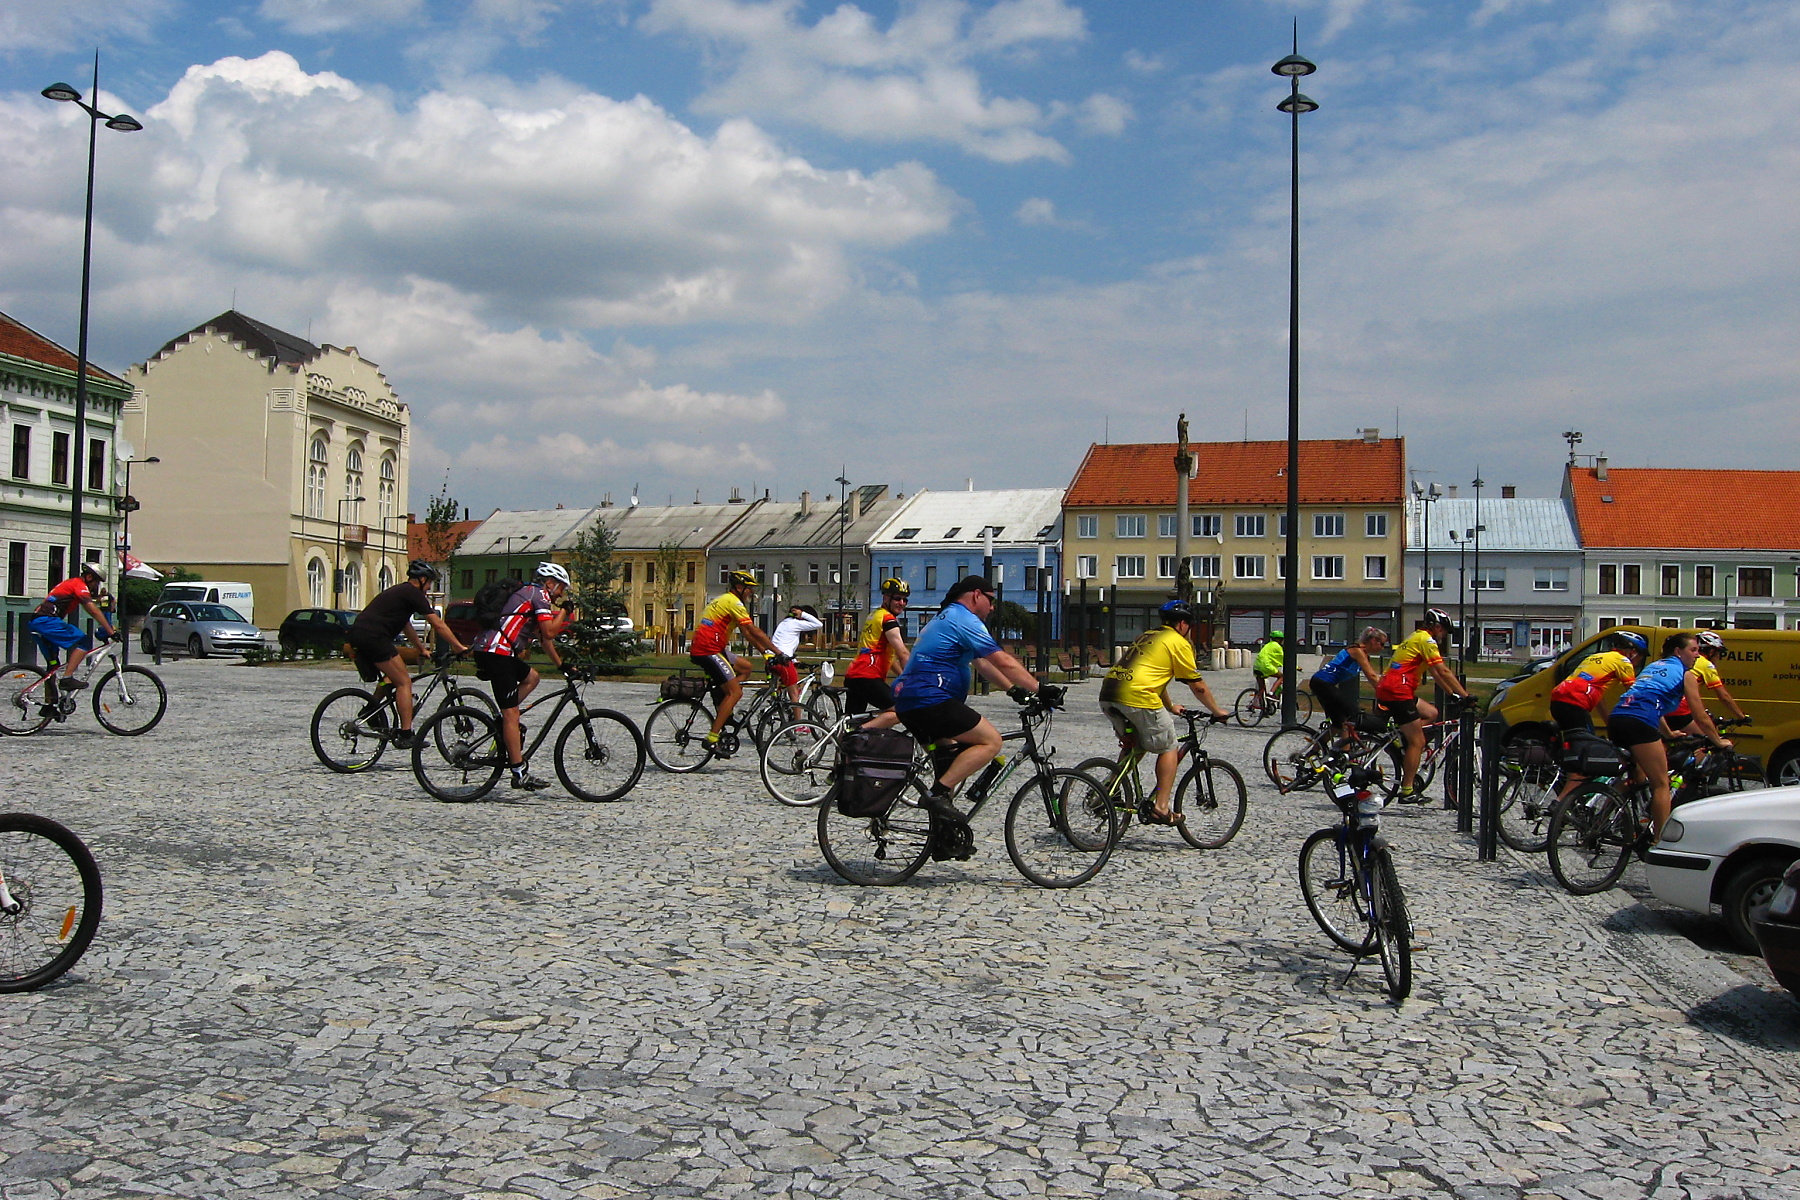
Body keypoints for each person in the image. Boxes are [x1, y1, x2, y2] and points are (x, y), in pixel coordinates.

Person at [874, 576, 1056, 826]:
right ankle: (936, 795)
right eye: (990, 600)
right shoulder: (964, 618)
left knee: (950, 762)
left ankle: (943, 834)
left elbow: (982, 663)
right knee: (991, 741)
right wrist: (1040, 689)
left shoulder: (948, 616)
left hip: (911, 700)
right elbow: (1002, 661)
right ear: (976, 595)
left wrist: (1014, 690)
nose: (992, 607)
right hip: (930, 698)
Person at [1098, 600, 1230, 825]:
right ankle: (1161, 807)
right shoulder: (1178, 642)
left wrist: (1170, 706)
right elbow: (1197, 685)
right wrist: (1217, 711)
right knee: (1169, 747)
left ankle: (1107, 790)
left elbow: (1154, 678)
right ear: (1182, 624)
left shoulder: (1147, 636)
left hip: (1109, 694)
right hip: (1138, 697)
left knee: (1137, 745)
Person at [1607, 631, 1731, 836]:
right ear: (1678, 651)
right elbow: (1700, 716)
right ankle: (1659, 840)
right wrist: (1717, 741)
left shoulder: (1653, 667)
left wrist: (1669, 733)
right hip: (1639, 722)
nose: (1697, 655)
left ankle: (1602, 819)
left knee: (1638, 776)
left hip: (1618, 718)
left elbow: (1653, 704)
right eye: (1693, 650)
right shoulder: (1686, 674)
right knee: (1661, 784)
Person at [470, 562, 573, 790]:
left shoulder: (529, 593)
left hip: (494, 651)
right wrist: (565, 611)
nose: (561, 594)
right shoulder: (539, 595)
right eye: (561, 588)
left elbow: (543, 638)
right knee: (512, 714)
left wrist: (561, 665)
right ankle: (519, 772)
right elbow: (550, 632)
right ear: (550, 583)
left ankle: (505, 723)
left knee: (532, 677)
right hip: (497, 652)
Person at [347, 559, 471, 748]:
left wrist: (421, 648)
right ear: (421, 579)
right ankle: (406, 734)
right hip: (375, 637)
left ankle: (371, 709)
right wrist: (458, 646)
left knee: (392, 675)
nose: (429, 588)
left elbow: (406, 625)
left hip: (360, 634)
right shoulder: (413, 593)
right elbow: (437, 624)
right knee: (404, 682)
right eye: (429, 582)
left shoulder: (401, 592)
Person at [1374, 609, 1471, 802]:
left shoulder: (1416, 636)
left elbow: (1435, 673)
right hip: (1398, 690)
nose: (1445, 635)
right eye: (1445, 630)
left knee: (1432, 713)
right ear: (1437, 627)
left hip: (1394, 687)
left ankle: (1404, 736)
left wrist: (1452, 694)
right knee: (1417, 742)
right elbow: (1444, 671)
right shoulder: (1427, 641)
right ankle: (1407, 790)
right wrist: (1466, 696)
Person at [1546, 630, 1647, 800]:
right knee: (1587, 756)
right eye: (1640, 656)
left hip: (1559, 699)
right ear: (1632, 652)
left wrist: (1610, 724)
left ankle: (1568, 788)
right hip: (1575, 702)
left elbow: (1599, 699)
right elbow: (1634, 695)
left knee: (1577, 749)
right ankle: (1561, 802)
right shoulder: (1623, 662)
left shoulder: (1596, 657)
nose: (1638, 661)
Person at [689, 569, 783, 747]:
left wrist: (765, 652)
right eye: (749, 588)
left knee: (746, 667)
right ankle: (712, 737)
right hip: (708, 649)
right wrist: (778, 652)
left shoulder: (726, 600)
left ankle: (725, 704)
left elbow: (747, 633)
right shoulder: (734, 602)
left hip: (712, 647)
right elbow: (755, 631)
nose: (751, 592)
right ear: (739, 587)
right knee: (736, 692)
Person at [27, 564, 116, 689]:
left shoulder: (72, 584)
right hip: (47, 621)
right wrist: (111, 632)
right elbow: (93, 610)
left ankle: (51, 700)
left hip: (37, 622)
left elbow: (89, 607)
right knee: (84, 642)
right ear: (89, 577)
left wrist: (106, 621)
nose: (96, 586)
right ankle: (67, 678)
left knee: (53, 665)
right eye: (96, 582)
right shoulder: (79, 585)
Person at [1310, 627, 1389, 745]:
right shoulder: (1357, 651)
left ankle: (1314, 751)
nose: (1383, 648)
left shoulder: (1363, 654)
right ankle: (1345, 749)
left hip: (1323, 684)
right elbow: (1372, 677)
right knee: (1353, 714)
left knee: (1339, 723)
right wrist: (1388, 693)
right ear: (1373, 640)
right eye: (1382, 644)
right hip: (1322, 683)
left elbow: (1375, 679)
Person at [844, 578, 911, 715]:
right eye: (897, 598)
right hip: (868, 676)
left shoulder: (874, 615)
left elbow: (890, 658)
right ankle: (865, 727)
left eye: (905, 600)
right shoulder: (888, 620)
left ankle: (854, 729)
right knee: (901, 710)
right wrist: (916, 677)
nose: (902, 603)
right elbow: (902, 653)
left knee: (853, 720)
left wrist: (903, 676)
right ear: (886, 598)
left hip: (854, 674)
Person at [1666, 629, 1749, 731]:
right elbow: (1724, 696)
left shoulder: (1679, 660)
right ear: (1711, 652)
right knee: (1708, 736)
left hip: (1663, 706)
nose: (1718, 657)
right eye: (1718, 653)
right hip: (1679, 709)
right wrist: (1741, 716)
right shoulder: (1705, 664)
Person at [769, 603, 824, 721]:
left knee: (788, 686)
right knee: (794, 693)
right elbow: (819, 624)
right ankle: (798, 724)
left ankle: (779, 706)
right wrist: (802, 614)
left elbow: (784, 644)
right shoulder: (795, 623)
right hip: (782, 661)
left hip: (773, 659)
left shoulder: (785, 623)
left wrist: (794, 661)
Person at [1253, 631, 1285, 704]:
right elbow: (1284, 659)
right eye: (1282, 639)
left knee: (1261, 689)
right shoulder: (1277, 646)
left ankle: (1259, 706)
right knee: (1281, 677)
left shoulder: (1267, 645)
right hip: (1266, 667)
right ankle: (1271, 693)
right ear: (1279, 639)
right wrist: (1296, 667)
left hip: (1257, 667)